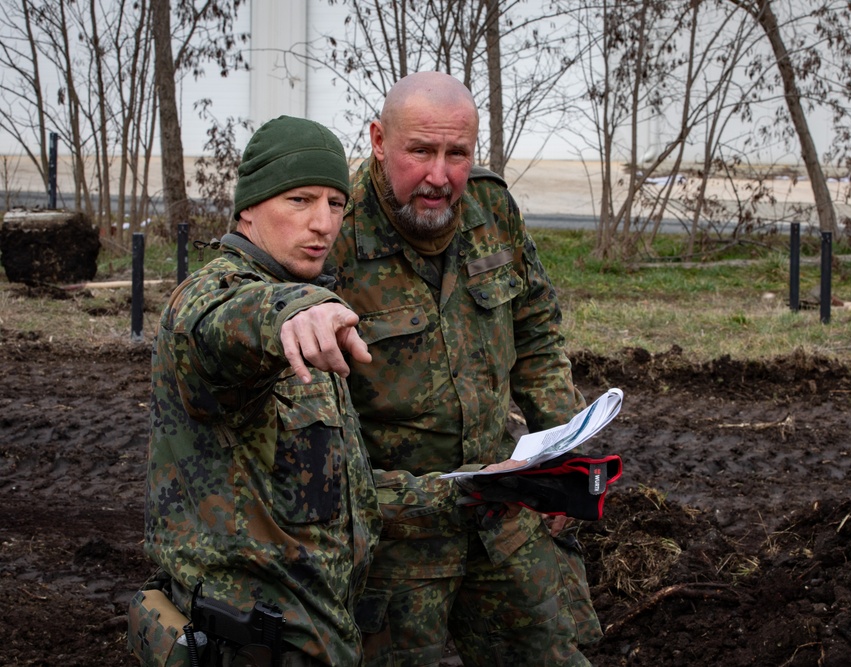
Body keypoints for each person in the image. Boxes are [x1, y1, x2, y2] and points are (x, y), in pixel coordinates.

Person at [325, 72, 602, 666]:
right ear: (379, 140)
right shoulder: (334, 239)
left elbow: (535, 330)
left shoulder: (491, 209)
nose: (439, 176)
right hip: (395, 539)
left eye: (458, 154)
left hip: (501, 511)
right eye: (420, 151)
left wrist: (563, 457)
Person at [134, 115, 381, 666]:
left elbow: (341, 497)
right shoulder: (208, 298)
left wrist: (471, 489)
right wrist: (295, 308)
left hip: (319, 641)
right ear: (249, 207)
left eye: (336, 204)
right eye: (300, 200)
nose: (323, 223)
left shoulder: (309, 317)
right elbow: (228, 320)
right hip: (245, 647)